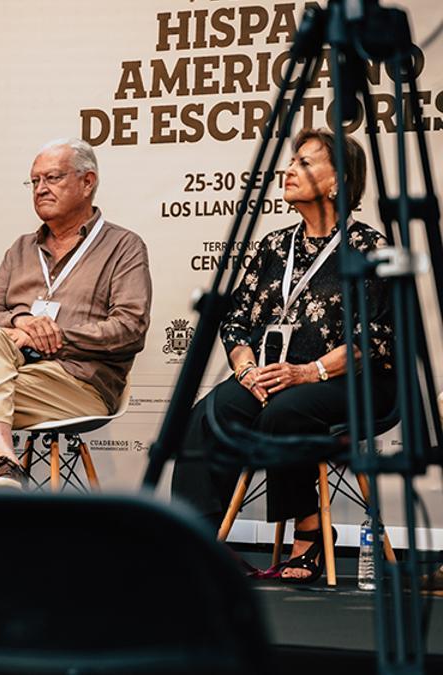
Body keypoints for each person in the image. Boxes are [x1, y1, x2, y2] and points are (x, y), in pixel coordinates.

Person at [172, 128, 394, 584]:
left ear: (339, 182)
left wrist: (308, 371)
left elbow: (370, 338)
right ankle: (197, 542)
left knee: (285, 414)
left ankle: (309, 531)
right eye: (291, 161)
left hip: (349, 380)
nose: (289, 169)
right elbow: (234, 321)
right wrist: (248, 370)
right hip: (273, 374)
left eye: (306, 163)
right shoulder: (273, 247)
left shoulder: (369, 248)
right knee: (206, 416)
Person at [0, 138, 152, 489]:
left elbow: (130, 328)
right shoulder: (21, 248)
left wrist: (55, 335)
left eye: (52, 178)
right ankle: (6, 465)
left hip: (80, 382)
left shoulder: (123, 246)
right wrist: (21, 323)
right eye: (34, 181)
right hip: (16, 370)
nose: (41, 189)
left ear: (88, 182)